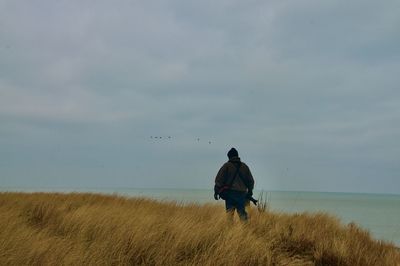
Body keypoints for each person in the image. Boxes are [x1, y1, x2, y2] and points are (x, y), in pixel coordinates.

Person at [214, 148, 255, 221]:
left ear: (229, 156)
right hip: (242, 194)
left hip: (230, 194)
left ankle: (230, 231)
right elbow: (251, 181)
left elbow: (218, 180)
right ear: (237, 156)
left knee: (229, 216)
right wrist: (250, 191)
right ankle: (246, 231)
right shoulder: (245, 166)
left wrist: (216, 192)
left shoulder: (226, 166)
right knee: (243, 216)